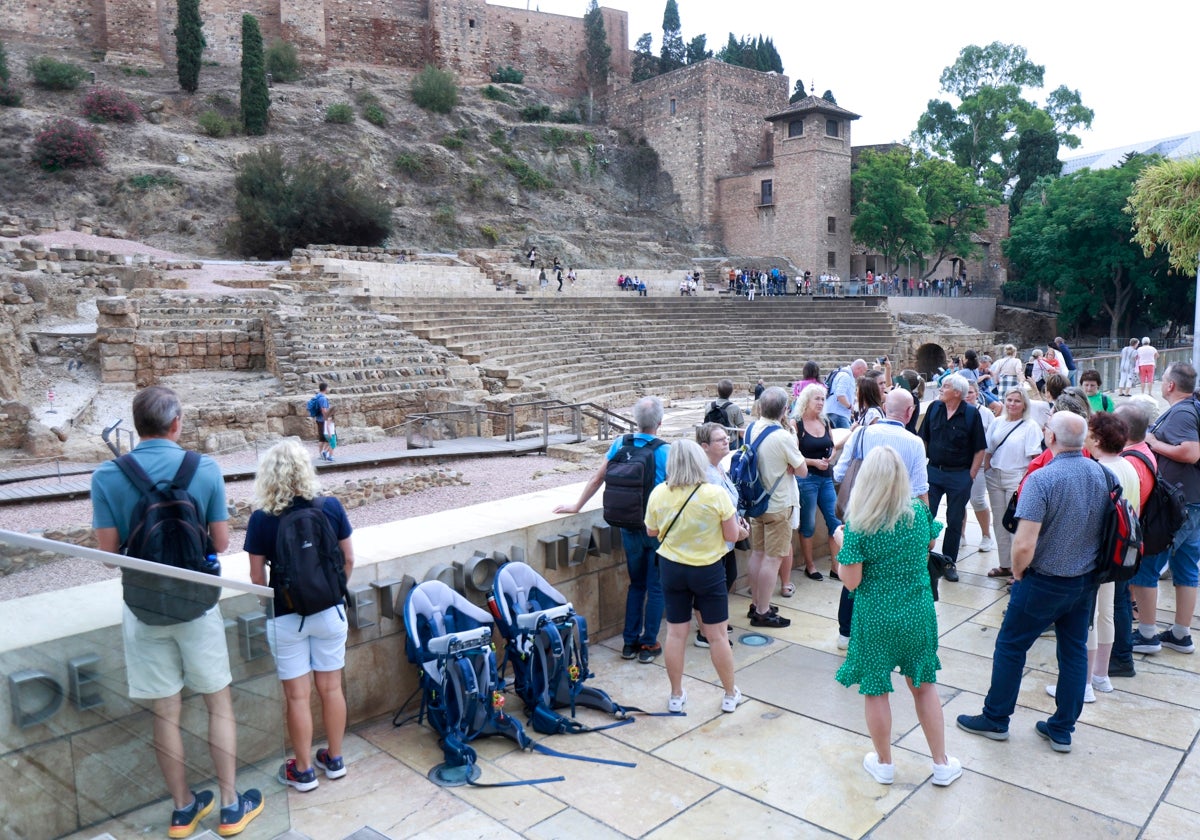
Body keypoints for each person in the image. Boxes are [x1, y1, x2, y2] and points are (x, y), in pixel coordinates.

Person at [90, 386, 263, 838]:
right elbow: (222, 543)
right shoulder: (203, 468)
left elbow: (110, 554)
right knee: (217, 703)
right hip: (196, 603)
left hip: (144, 607)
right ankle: (229, 807)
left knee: (166, 712)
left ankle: (183, 810)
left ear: (137, 424)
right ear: (176, 423)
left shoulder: (108, 476)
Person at [957, 412, 1110, 753]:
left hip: (1044, 580)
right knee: (1073, 653)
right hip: (1083, 581)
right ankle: (1062, 728)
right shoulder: (1102, 474)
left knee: (1011, 645)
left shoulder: (1043, 479)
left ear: (1051, 438)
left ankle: (996, 718)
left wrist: (1018, 572)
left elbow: (1024, 544)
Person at [833, 446, 961, 787]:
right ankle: (942, 764)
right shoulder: (919, 512)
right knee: (924, 687)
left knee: (876, 690)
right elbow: (932, 538)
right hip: (917, 612)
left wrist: (839, 543)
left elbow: (851, 581)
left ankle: (885, 763)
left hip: (875, 616)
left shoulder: (859, 524)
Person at [245, 440, 354, 794]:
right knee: (331, 687)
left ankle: (304, 770)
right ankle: (335, 760)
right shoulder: (331, 507)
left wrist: (272, 606)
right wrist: (331, 591)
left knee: (297, 696)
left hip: (286, 615)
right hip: (330, 610)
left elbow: (256, 577)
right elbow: (348, 559)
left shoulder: (262, 519)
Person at [554, 397, 671, 663]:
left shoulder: (621, 444)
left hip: (627, 526)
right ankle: (649, 644)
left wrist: (577, 505)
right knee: (656, 586)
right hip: (656, 530)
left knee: (636, 584)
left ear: (636, 420)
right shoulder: (666, 451)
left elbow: (598, 478)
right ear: (660, 423)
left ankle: (629, 643)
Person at [645, 440, 745, 714]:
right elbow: (732, 535)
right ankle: (728, 693)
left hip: (671, 567)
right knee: (717, 636)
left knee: (676, 634)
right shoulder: (714, 494)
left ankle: (676, 695)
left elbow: (652, 532)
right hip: (708, 569)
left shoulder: (658, 494)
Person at [833, 389, 929, 647]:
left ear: (885, 406)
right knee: (888, 573)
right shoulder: (914, 442)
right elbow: (920, 490)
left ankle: (846, 631)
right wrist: (926, 526)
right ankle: (890, 629)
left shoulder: (862, 433)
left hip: (862, 514)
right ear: (909, 413)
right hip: (900, 516)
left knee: (855, 567)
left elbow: (840, 472)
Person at [1063, 412, 1138, 703]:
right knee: (1105, 613)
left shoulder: (1099, 471)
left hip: (1098, 554)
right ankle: (1101, 676)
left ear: (1096, 438)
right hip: (1119, 554)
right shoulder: (1128, 466)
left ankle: (1083, 686)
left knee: (1088, 619)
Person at [1132, 362, 1200, 656]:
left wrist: (1153, 442)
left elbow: (1190, 452)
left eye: (1163, 379)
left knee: (1146, 565)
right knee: (1186, 567)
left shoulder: (1182, 411)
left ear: (1170, 385)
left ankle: (1147, 634)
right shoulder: (1192, 408)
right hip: (1192, 503)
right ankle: (1180, 634)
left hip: (1176, 507)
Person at [745, 387, 807, 628]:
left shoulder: (750, 429)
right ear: (784, 410)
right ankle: (763, 611)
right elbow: (802, 470)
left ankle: (755, 603)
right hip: (778, 504)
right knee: (773, 559)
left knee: (757, 554)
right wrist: (790, 464)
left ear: (760, 407)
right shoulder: (782, 436)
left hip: (756, 502)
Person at [918, 374, 986, 582]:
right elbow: (923, 440)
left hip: (959, 475)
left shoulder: (971, 414)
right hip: (934, 472)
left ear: (957, 393)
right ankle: (920, 560)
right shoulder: (934, 408)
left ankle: (948, 562)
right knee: (925, 517)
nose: (940, 388)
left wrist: (970, 476)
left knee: (954, 520)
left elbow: (980, 448)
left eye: (945, 386)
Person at [983, 388, 1043, 578]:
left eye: (1017, 401)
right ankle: (1005, 564)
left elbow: (1035, 457)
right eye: (1009, 400)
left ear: (1024, 404)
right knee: (999, 521)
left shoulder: (1030, 426)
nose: (1012, 404)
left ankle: (1019, 568)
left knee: (1014, 524)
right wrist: (986, 469)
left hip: (1017, 476)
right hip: (995, 476)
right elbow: (989, 449)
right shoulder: (997, 422)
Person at [696, 423, 745, 647]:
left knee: (727, 578)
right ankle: (705, 632)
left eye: (726, 438)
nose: (726, 441)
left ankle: (713, 625)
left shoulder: (718, 467)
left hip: (725, 540)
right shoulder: (706, 474)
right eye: (720, 440)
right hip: (714, 541)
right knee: (711, 587)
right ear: (705, 446)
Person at [794, 384, 842, 582]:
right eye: (817, 399)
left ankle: (835, 567)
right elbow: (794, 455)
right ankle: (810, 566)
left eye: (823, 399)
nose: (821, 403)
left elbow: (831, 446)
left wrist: (830, 457)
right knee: (809, 524)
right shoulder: (796, 424)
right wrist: (814, 462)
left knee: (835, 521)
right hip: (807, 480)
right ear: (806, 400)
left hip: (825, 478)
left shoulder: (825, 421)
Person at [827, 359, 867, 430]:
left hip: (836, 412)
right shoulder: (845, 376)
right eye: (862, 372)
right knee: (847, 437)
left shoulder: (845, 375)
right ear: (859, 369)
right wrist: (850, 407)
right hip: (838, 414)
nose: (862, 375)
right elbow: (840, 395)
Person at [705, 378, 746, 446]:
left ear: (718, 391)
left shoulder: (709, 406)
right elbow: (741, 432)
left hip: (712, 440)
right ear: (731, 392)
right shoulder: (735, 408)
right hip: (729, 442)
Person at [312, 382, 333, 462]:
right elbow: (324, 410)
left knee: (321, 438)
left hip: (318, 419)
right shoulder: (323, 398)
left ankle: (321, 454)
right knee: (326, 438)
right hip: (323, 420)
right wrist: (327, 418)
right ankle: (324, 454)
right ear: (325, 388)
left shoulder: (317, 396)